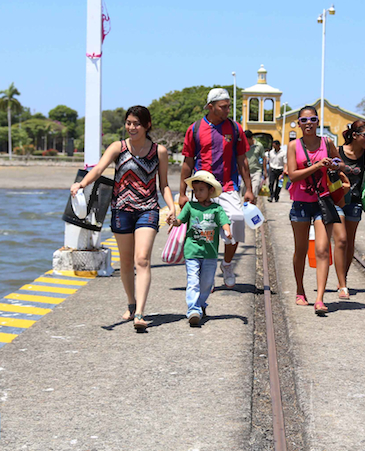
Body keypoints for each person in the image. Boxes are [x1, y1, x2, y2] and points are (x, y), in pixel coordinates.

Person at [70, 105, 175, 332]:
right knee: (126, 262)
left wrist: (172, 207)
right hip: (121, 210)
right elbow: (99, 169)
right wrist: (81, 184)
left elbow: (164, 184)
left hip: (148, 209)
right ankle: (131, 303)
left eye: (137, 123)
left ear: (147, 125)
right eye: (129, 123)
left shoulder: (159, 151)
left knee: (142, 259)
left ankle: (140, 314)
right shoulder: (118, 147)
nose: (132, 127)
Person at [180, 88, 254, 289]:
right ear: (210, 106)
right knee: (204, 231)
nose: (228, 109)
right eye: (223, 106)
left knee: (236, 221)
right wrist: (182, 193)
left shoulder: (235, 129)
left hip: (228, 186)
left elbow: (242, 160)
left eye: (228, 106)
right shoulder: (195, 129)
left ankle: (227, 264)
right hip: (202, 187)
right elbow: (187, 162)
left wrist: (249, 189)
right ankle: (207, 274)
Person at [286, 105, 348, 313]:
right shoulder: (293, 146)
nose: (308, 124)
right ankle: (300, 290)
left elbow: (340, 163)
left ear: (318, 122)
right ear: (298, 123)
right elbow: (292, 175)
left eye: (312, 119)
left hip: (323, 201)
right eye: (304, 120)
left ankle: (320, 298)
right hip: (301, 203)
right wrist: (317, 166)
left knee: (322, 249)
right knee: (301, 250)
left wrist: (334, 164)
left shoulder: (327, 142)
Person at [170, 171, 231, 327]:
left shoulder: (216, 208)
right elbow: (180, 220)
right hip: (192, 252)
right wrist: (174, 221)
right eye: (195, 190)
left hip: (210, 254)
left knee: (207, 283)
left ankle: (201, 304)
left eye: (201, 190)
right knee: (193, 281)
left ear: (211, 190)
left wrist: (227, 231)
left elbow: (224, 221)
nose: (197, 193)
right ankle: (193, 309)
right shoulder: (190, 206)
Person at [339, 120, 365, 284]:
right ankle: (339, 278)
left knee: (349, 242)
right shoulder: (338, 151)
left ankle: (343, 278)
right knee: (340, 240)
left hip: (355, 202)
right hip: (337, 201)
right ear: (355, 135)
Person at [240, 130, 266, 198]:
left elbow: (264, 158)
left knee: (255, 189)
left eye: (246, 139)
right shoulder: (242, 145)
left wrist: (265, 171)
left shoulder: (259, 146)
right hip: (245, 172)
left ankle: (253, 203)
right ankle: (244, 204)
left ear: (251, 138)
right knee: (243, 190)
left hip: (256, 171)